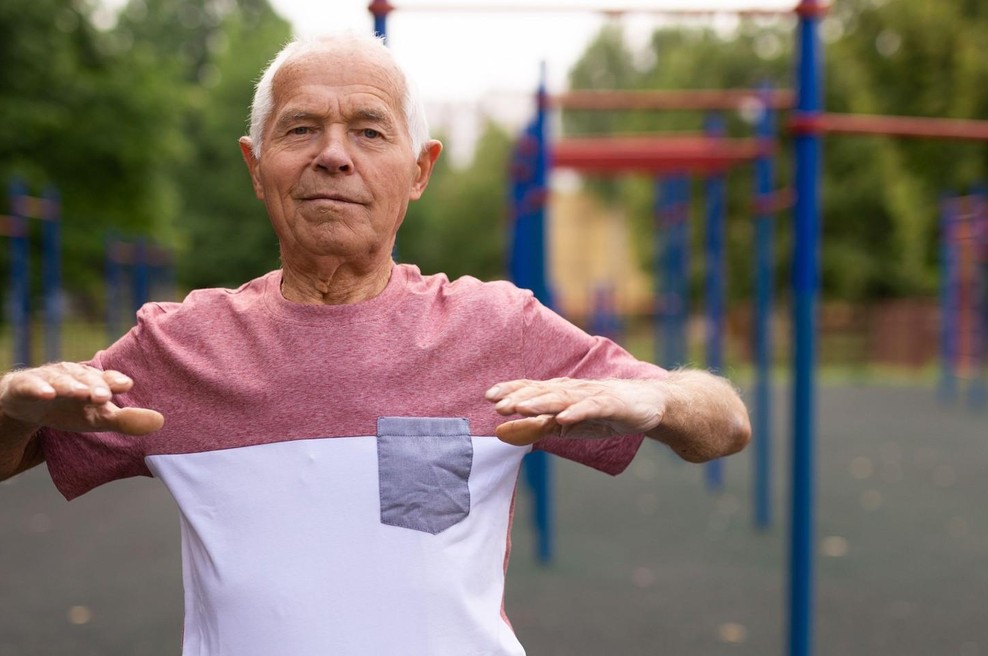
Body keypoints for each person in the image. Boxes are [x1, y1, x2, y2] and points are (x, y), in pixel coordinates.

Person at [0, 31, 750, 655]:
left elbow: (724, 423)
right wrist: (12, 405)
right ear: (255, 165)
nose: (334, 155)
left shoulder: (497, 326)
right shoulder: (179, 346)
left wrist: (654, 398)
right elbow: (14, 451)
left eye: (368, 130)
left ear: (418, 169)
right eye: (300, 128)